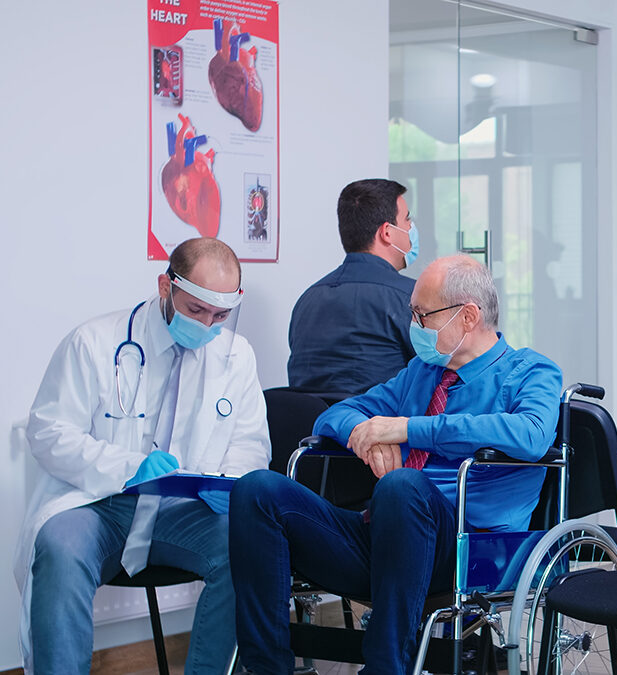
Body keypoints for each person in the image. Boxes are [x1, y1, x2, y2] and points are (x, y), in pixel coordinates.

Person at [231, 255, 562, 674]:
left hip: (468, 550)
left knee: (402, 486)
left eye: (423, 315)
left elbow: (531, 434)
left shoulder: (531, 371)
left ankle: (385, 667)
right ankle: (266, 668)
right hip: (386, 535)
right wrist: (365, 435)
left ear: (468, 316)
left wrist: (408, 429)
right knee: (257, 490)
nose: (414, 325)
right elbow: (334, 414)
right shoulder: (422, 373)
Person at [16, 238, 270, 674]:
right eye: (196, 310)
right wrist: (130, 469)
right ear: (165, 287)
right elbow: (49, 432)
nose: (207, 325)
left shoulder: (237, 357)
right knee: (60, 547)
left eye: (220, 316)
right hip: (99, 502)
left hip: (183, 508)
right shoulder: (94, 342)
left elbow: (250, 442)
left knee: (248, 544)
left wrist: (229, 481)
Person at [287, 178, 419, 396]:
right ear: (387, 232)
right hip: (379, 418)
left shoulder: (307, 301)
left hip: (312, 419)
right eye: (407, 219)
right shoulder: (411, 298)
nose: (411, 227)